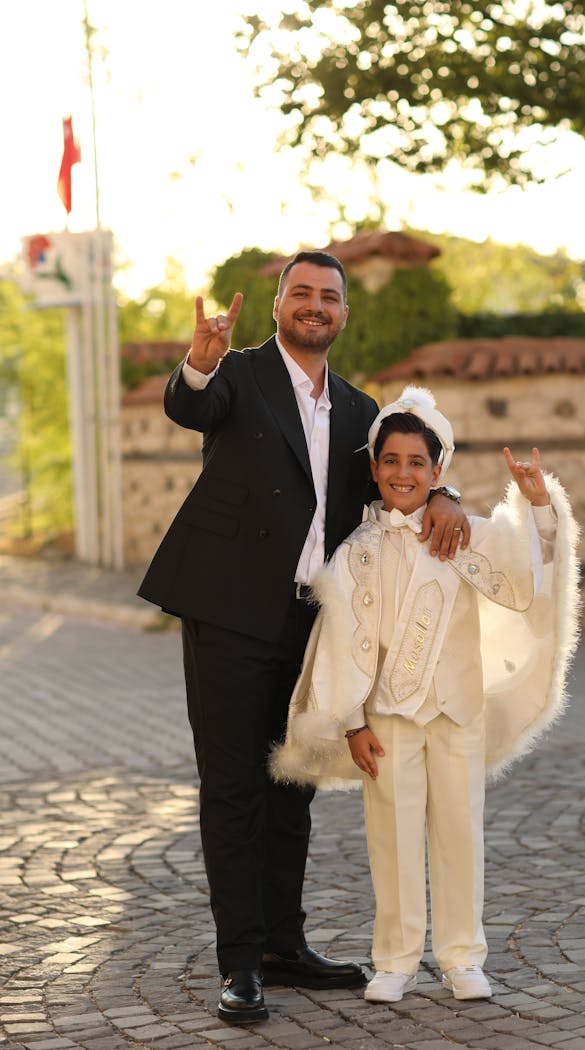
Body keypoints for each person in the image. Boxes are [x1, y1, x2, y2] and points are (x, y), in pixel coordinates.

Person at [138, 254, 469, 1024]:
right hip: (228, 611)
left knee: (293, 785)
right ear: (278, 306)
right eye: (301, 294)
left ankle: (285, 946)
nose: (315, 305)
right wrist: (197, 363)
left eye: (329, 296)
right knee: (233, 788)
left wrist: (446, 491)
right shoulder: (236, 374)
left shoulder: (360, 409)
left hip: (313, 622)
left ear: (343, 313)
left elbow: (399, 475)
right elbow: (190, 405)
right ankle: (241, 962)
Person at [271, 385, 581, 1004]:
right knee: (391, 837)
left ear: (438, 472)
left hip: (457, 711)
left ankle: (463, 956)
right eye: (391, 461)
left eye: (417, 463)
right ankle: (396, 959)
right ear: (373, 468)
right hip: (386, 719)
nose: (403, 473)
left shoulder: (464, 534)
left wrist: (538, 503)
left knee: (460, 833)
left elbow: (531, 575)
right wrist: (352, 721)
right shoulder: (355, 553)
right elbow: (341, 641)